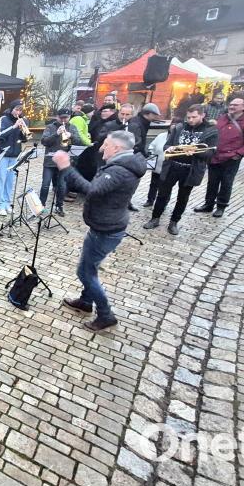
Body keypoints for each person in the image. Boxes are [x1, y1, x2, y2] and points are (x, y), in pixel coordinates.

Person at [54, 131, 147, 331]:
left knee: (85, 272)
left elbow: (92, 190)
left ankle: (105, 315)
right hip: (106, 225)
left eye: (106, 144)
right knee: (91, 267)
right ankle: (86, 301)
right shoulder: (123, 164)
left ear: (117, 148)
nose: (102, 148)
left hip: (105, 230)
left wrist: (66, 168)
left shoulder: (119, 170)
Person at [143, 105, 218, 235]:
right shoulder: (179, 127)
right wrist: (169, 148)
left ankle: (174, 222)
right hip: (172, 166)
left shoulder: (210, 131)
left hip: (190, 170)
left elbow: (210, 153)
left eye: (194, 117)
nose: (190, 120)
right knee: (162, 194)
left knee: (183, 198)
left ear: (202, 115)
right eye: (188, 117)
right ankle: (155, 218)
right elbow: (167, 145)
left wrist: (195, 151)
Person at [194, 97, 244, 217]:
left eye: (235, 105)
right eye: (231, 104)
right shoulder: (225, 117)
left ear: (243, 107)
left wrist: (238, 154)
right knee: (212, 181)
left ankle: (221, 206)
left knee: (226, 182)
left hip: (231, 157)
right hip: (216, 155)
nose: (232, 107)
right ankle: (208, 204)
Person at [40, 108, 83, 216]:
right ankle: (41, 206)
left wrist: (71, 136)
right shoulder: (50, 127)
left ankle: (59, 206)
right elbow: (44, 141)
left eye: (66, 118)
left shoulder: (72, 127)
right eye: (61, 118)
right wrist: (56, 133)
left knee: (62, 185)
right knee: (45, 185)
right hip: (50, 161)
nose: (64, 120)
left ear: (69, 117)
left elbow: (79, 141)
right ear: (57, 117)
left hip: (64, 162)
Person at [0, 100, 29, 216]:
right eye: (16, 110)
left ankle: (7, 203)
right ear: (11, 109)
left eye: (20, 110)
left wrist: (23, 132)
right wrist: (14, 127)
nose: (18, 112)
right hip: (3, 154)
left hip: (15, 154)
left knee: (10, 181)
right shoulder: (4, 119)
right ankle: (0, 205)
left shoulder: (24, 120)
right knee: (1, 180)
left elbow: (24, 139)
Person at [143, 130, 167, 208]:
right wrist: (151, 153)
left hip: (168, 167)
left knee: (165, 186)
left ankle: (163, 202)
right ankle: (150, 200)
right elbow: (152, 146)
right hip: (157, 165)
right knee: (153, 184)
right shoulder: (161, 136)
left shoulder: (178, 137)